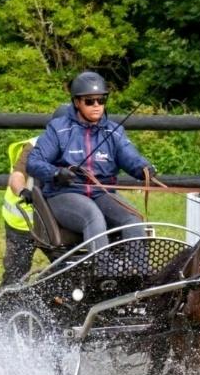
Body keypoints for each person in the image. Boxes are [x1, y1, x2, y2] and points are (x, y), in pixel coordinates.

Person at [26, 70, 154, 252]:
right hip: (64, 194)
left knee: (132, 218)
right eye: (89, 101)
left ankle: (138, 273)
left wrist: (145, 169)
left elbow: (130, 157)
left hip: (102, 194)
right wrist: (55, 173)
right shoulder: (58, 129)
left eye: (101, 100)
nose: (96, 106)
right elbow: (34, 162)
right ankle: (102, 271)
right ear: (77, 102)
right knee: (92, 216)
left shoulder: (114, 131)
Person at [0, 136, 41, 285]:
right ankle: (7, 300)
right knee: (17, 271)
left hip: (54, 221)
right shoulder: (34, 146)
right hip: (23, 220)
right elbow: (17, 176)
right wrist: (22, 191)